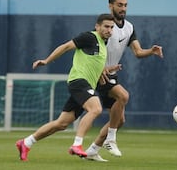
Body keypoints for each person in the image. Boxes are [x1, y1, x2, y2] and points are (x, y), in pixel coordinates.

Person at [15, 13, 118, 161]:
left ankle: (26, 142)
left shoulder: (103, 44)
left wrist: (103, 73)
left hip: (86, 85)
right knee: (95, 109)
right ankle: (77, 144)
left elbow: (93, 65)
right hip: (78, 81)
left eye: (111, 27)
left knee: (61, 123)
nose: (109, 30)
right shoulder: (89, 37)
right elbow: (65, 47)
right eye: (106, 26)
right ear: (97, 26)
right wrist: (46, 61)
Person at [85, 0, 163, 162]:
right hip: (100, 75)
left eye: (125, 5)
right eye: (119, 5)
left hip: (111, 75)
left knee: (120, 120)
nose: (123, 8)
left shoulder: (129, 27)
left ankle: (92, 150)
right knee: (123, 95)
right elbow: (90, 51)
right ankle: (111, 139)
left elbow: (138, 52)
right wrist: (98, 70)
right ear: (110, 6)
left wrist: (151, 51)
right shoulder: (105, 27)